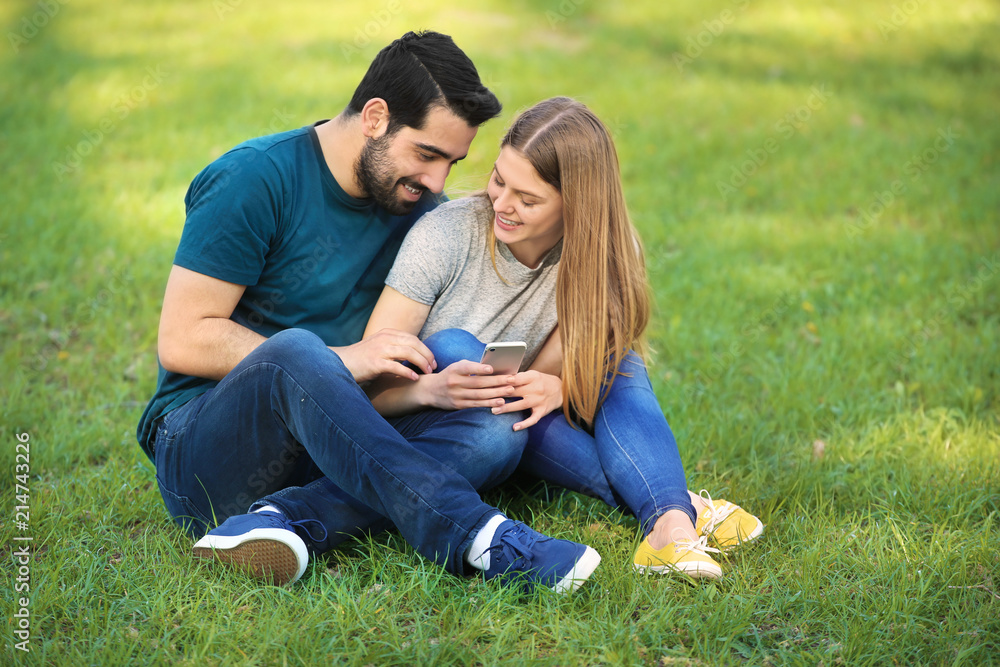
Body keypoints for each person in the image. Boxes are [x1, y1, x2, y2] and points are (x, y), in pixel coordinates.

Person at [136, 34, 601, 594]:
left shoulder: (422, 210)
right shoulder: (253, 179)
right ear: (375, 117)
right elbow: (184, 339)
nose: (438, 183)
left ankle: (282, 521)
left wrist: (447, 388)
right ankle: (479, 535)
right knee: (297, 350)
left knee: (493, 433)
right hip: (207, 453)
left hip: (341, 439)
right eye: (427, 155)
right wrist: (341, 359)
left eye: (452, 163)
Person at [364, 97, 763, 580]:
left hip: (524, 423)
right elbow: (368, 389)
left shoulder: (602, 253)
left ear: (576, 205)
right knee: (452, 348)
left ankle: (669, 531)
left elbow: (569, 368)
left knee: (619, 362)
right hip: (440, 423)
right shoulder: (444, 235)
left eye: (527, 199)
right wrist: (435, 388)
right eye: (498, 179)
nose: (502, 205)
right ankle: (682, 509)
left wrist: (562, 387)